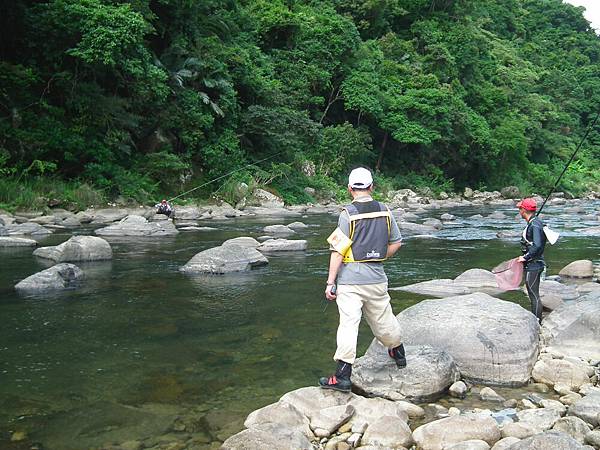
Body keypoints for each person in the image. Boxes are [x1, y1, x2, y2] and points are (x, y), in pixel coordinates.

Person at [320, 167, 406, 393]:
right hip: (377, 277)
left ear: (350, 189)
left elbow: (338, 251)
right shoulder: (386, 211)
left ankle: (342, 377)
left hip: (350, 280)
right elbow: (396, 242)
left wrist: (330, 282)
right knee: (383, 318)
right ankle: (398, 352)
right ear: (372, 187)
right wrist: (379, 255)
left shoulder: (346, 214)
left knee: (349, 325)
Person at [516, 197, 547, 323]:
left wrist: (525, 257)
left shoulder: (534, 224)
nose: (519, 210)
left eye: (520, 208)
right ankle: (537, 320)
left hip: (534, 264)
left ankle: (537, 323)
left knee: (534, 295)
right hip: (533, 263)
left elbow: (538, 245)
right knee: (533, 294)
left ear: (524, 210)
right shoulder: (535, 222)